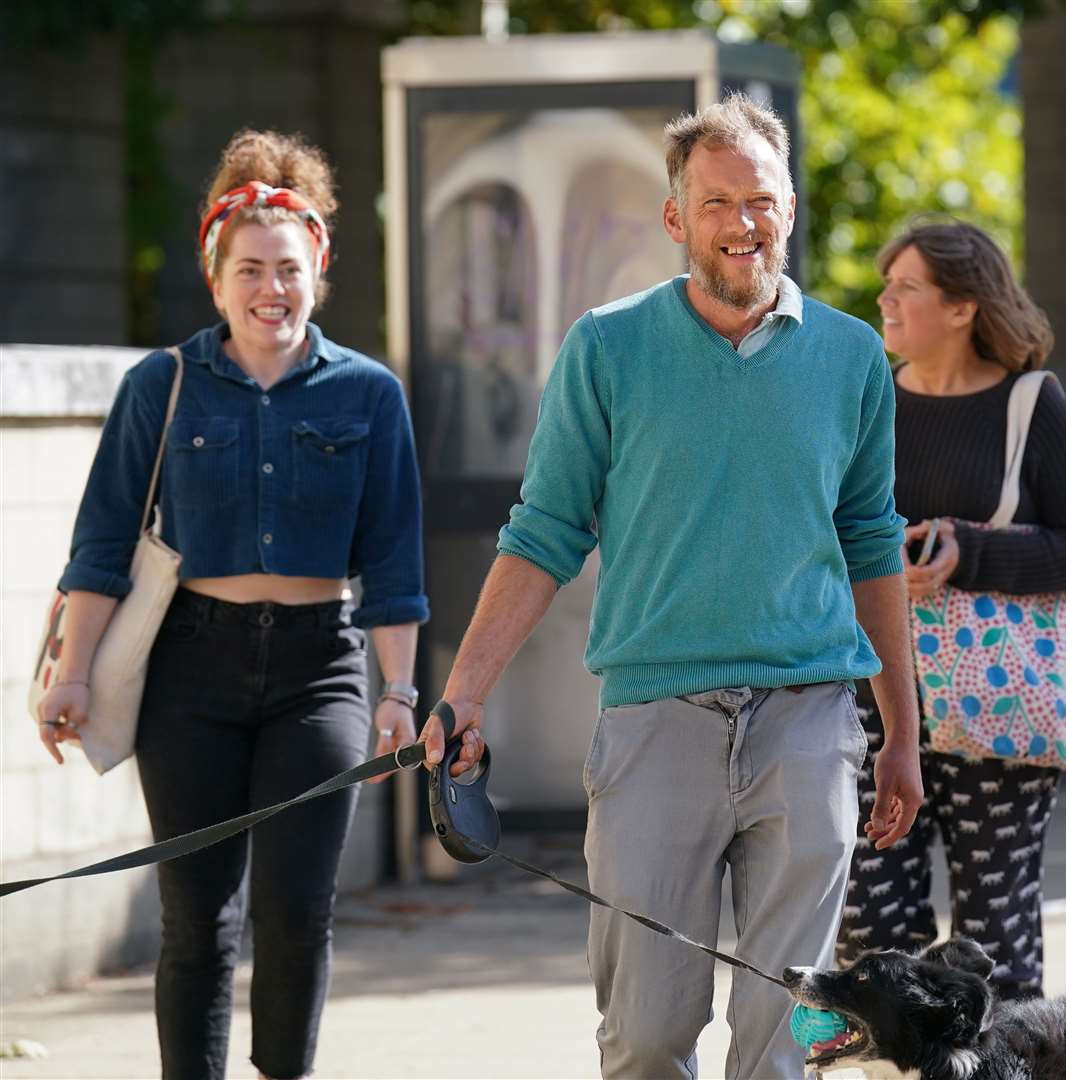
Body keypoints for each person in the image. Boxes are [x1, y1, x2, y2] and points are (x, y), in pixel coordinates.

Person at [417, 93, 925, 1079]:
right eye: (719, 201)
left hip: (809, 718)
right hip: (655, 721)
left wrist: (902, 728)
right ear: (676, 217)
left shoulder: (852, 356)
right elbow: (546, 530)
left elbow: (872, 541)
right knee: (645, 1033)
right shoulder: (607, 349)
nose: (744, 222)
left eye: (762, 200)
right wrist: (464, 693)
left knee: (785, 1037)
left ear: (790, 209)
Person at [34, 129, 429, 1080]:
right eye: (250, 268)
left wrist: (400, 694)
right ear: (216, 279)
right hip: (189, 668)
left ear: (317, 273)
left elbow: (395, 562)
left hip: (319, 670)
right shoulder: (161, 387)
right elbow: (101, 544)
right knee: (197, 916)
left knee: (296, 910)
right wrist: (72, 672)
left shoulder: (370, 395)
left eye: (289, 269)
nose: (271, 289)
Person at [834, 221, 1066, 999]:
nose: (886, 300)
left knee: (995, 934)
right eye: (887, 285)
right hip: (870, 701)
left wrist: (970, 552)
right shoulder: (868, 403)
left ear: (962, 307)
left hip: (1000, 705)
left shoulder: (1033, 403)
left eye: (907, 288)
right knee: (869, 926)